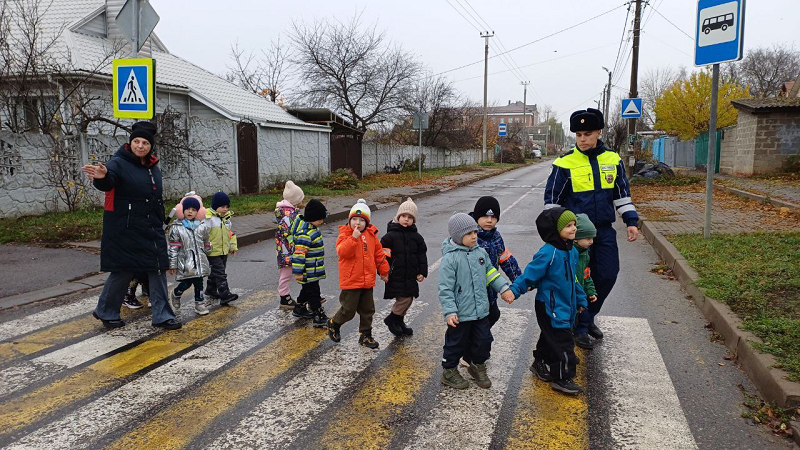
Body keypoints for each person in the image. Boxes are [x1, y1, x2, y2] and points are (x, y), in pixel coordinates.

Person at [543, 107, 639, 341]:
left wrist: (631, 221)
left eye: (587, 134)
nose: (582, 139)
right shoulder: (564, 163)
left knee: (607, 275)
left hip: (604, 231)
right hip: (576, 235)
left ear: (598, 132)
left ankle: (587, 316)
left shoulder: (613, 160)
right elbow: (552, 202)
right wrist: (557, 234)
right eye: (578, 135)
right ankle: (580, 326)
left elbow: (622, 195)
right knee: (578, 280)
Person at [81, 121, 180, 330]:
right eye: (136, 141)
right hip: (125, 227)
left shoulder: (153, 166)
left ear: (151, 146)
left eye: (145, 142)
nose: (140, 146)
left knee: (158, 267)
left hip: (150, 226)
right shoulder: (119, 162)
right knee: (123, 270)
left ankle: (162, 315)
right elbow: (109, 179)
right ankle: (105, 311)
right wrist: (102, 177)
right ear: (130, 142)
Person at [504, 208, 587, 395]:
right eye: (568, 226)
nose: (574, 229)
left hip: (566, 304)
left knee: (551, 336)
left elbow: (573, 280)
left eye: (574, 225)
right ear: (555, 229)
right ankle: (563, 377)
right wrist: (514, 291)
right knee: (564, 341)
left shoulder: (572, 251)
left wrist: (580, 299)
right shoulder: (548, 253)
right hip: (550, 305)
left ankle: (539, 362)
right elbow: (531, 274)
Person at [439, 212, 511, 390]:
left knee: (484, 340)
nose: (474, 236)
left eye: (475, 233)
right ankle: (449, 371)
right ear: (457, 236)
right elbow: (445, 289)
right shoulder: (450, 259)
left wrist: (503, 288)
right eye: (469, 234)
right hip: (460, 314)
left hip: (481, 311)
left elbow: (491, 273)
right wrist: (450, 311)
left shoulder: (480, 253)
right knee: (456, 343)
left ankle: (477, 365)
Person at [463, 196, 521, 366]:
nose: (489, 220)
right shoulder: (470, 238)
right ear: (476, 217)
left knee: (493, 315)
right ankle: (469, 355)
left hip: (491, 290)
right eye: (485, 216)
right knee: (476, 325)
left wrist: (519, 278)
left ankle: (476, 348)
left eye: (493, 217)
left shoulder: (496, 236)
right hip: (473, 293)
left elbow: (505, 258)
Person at [328, 199, 390, 349]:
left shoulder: (371, 235)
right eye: (354, 219)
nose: (357, 223)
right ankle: (334, 323)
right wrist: (353, 238)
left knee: (368, 310)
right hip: (351, 280)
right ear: (349, 220)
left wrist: (384, 271)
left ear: (367, 222)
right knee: (348, 310)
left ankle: (365, 335)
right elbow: (342, 252)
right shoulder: (345, 234)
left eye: (361, 220)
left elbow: (378, 255)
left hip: (367, 280)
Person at [380, 197, 427, 337]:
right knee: (403, 299)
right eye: (403, 216)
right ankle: (392, 319)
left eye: (410, 217)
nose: (406, 219)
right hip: (396, 274)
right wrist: (384, 272)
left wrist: (422, 272)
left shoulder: (416, 237)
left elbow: (421, 255)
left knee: (409, 298)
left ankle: (399, 321)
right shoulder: (390, 236)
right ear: (398, 217)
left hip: (410, 275)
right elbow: (382, 257)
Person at [167, 196, 212, 315]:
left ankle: (199, 303)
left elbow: (206, 241)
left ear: (198, 212)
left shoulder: (202, 226)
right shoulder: (177, 228)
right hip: (185, 262)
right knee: (187, 283)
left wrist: (207, 253)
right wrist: (172, 264)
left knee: (199, 282)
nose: (190, 211)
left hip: (199, 260)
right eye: (187, 209)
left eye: (193, 209)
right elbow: (173, 247)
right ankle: (176, 293)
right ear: (182, 211)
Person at [290, 199, 328, 326]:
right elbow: (299, 254)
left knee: (307, 290)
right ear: (312, 218)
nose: (322, 222)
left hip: (313, 269)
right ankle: (318, 314)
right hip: (308, 271)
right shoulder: (305, 234)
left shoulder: (313, 229)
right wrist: (298, 272)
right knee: (314, 293)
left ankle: (299, 307)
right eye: (319, 219)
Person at [205, 191, 239, 305]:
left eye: (227, 207)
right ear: (215, 206)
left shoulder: (226, 219)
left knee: (217, 272)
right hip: (213, 251)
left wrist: (232, 247)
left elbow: (230, 234)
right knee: (220, 273)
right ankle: (225, 294)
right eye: (222, 207)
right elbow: (203, 234)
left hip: (223, 250)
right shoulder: (209, 219)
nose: (225, 209)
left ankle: (211, 289)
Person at [275, 181, 304, 310]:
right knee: (286, 274)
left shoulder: (288, 213)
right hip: (287, 251)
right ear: (295, 201)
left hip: (285, 249)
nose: (302, 203)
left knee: (290, 273)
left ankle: (307, 293)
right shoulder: (289, 215)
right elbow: (292, 232)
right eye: (301, 200)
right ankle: (284, 297)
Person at [572, 213, 599, 349]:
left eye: (592, 238)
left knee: (583, 314)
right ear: (576, 239)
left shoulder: (585, 254)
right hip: (569, 295)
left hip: (580, 295)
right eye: (588, 238)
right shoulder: (569, 252)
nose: (591, 242)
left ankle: (580, 333)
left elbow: (586, 275)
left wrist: (590, 291)